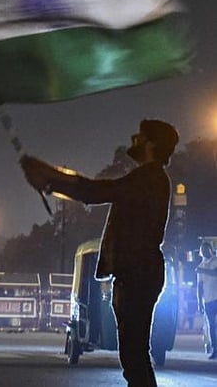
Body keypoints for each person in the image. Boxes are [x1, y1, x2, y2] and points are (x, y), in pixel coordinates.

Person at [21, 118, 178, 387]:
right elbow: (94, 190)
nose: (134, 139)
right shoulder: (151, 178)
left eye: (140, 136)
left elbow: (94, 191)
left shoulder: (149, 177)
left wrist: (49, 177)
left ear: (151, 144)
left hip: (137, 272)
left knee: (134, 355)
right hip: (139, 271)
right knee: (134, 355)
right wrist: (50, 179)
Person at [196, 241, 217, 359]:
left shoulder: (215, 261)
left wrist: (202, 271)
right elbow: (199, 286)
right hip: (208, 300)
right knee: (212, 327)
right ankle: (215, 349)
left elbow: (215, 273)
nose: (204, 251)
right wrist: (199, 302)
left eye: (206, 249)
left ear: (211, 249)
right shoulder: (200, 266)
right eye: (202, 249)